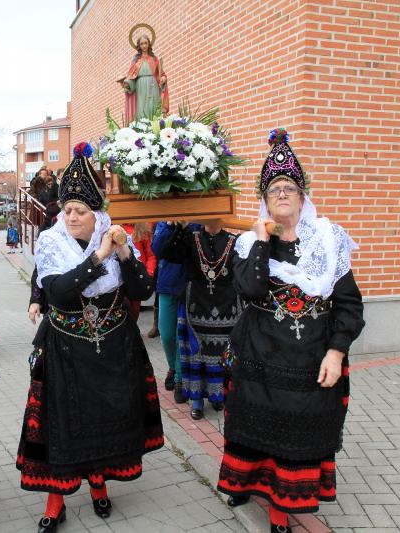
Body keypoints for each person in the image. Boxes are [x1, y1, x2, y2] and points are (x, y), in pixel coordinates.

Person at [217, 129, 365, 533]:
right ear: (264, 201)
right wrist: (264, 238)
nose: (282, 193)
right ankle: (245, 484)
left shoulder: (328, 242)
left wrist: (336, 351)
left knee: (297, 433)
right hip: (259, 355)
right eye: (273, 189)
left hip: (311, 359)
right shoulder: (249, 244)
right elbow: (249, 289)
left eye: (289, 187)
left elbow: (350, 304)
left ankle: (282, 506)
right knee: (252, 426)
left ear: (302, 196)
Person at [16, 142, 164, 533]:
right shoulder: (51, 242)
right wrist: (98, 258)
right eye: (67, 211)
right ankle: (55, 502)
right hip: (64, 347)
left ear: (96, 213)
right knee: (59, 424)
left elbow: (142, 291)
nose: (72, 217)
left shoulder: (117, 240)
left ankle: (98, 486)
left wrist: (125, 254)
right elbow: (59, 293)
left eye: (80, 211)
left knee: (104, 417)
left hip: (113, 347)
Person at [161, 218, 243, 420]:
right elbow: (168, 253)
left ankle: (217, 396)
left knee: (221, 353)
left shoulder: (235, 240)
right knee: (196, 353)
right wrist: (179, 226)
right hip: (196, 304)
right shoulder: (190, 236)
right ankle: (196, 401)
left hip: (226, 307)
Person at [151, 221, 190, 403]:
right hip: (167, 284)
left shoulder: (196, 224)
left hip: (190, 285)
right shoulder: (163, 224)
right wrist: (170, 225)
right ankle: (173, 367)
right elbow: (157, 249)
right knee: (166, 334)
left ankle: (179, 379)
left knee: (181, 335)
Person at [121, 33, 169, 121]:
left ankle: (156, 126)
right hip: (141, 87)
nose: (144, 45)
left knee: (154, 107)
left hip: (153, 85)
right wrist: (127, 84)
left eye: (146, 43)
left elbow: (161, 74)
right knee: (141, 108)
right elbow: (131, 77)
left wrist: (163, 78)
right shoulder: (136, 60)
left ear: (149, 44)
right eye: (142, 43)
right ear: (139, 46)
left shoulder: (154, 59)